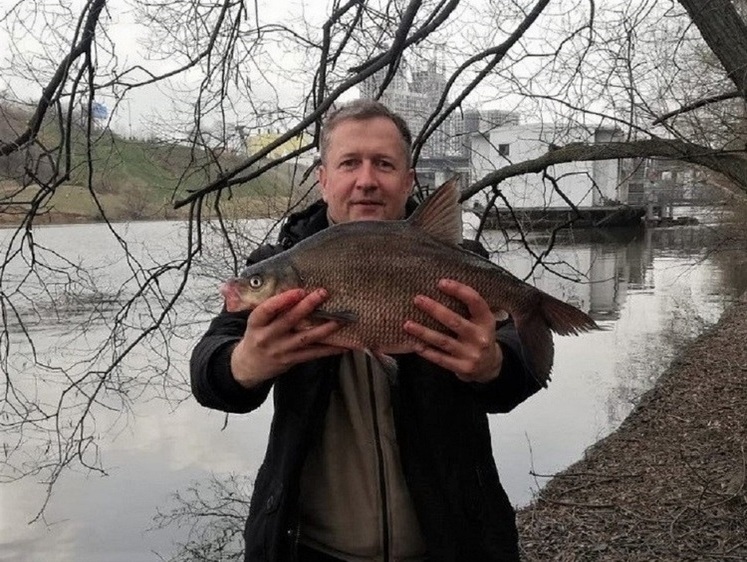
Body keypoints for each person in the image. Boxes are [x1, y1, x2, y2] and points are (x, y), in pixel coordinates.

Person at [190, 99, 543, 562]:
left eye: (384, 164)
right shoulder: (278, 269)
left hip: (452, 544)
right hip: (309, 549)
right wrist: (245, 363)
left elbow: (522, 373)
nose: (366, 180)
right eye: (349, 163)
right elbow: (207, 371)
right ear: (323, 178)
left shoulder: (459, 262)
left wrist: (493, 365)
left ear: (408, 179)